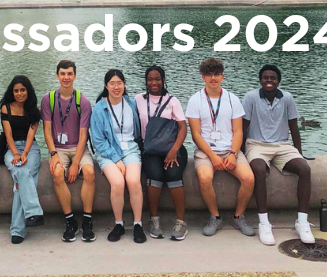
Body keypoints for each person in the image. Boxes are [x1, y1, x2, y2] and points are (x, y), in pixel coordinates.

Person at [242, 64, 314, 245]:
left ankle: (302, 222)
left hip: (282, 145)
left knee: (304, 169)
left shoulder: (287, 98)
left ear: (278, 81)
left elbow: (293, 126)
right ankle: (264, 223)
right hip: (256, 144)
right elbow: (243, 126)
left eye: (272, 78)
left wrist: (299, 152)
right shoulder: (251, 97)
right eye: (265, 78)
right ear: (260, 80)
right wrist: (240, 153)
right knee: (258, 170)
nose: (269, 81)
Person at [185, 58, 255, 238]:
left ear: (222, 76)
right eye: (209, 74)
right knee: (205, 177)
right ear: (203, 77)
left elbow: (238, 131)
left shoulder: (232, 99)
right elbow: (196, 134)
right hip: (206, 151)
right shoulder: (195, 100)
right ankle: (215, 216)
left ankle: (239, 215)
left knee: (248, 178)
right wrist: (212, 157)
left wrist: (233, 153)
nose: (213, 78)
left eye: (216, 74)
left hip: (229, 149)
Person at [41, 60, 96, 242]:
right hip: (59, 148)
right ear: (57, 76)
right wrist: (53, 153)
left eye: (70, 74)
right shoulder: (48, 99)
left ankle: (87, 220)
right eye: (63, 74)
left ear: (75, 76)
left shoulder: (83, 101)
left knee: (88, 172)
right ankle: (70, 220)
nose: (66, 77)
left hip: (78, 147)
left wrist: (75, 164)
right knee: (57, 174)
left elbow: (83, 136)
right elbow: (47, 131)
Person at [90, 69, 147, 244]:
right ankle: (119, 223)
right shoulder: (99, 109)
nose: (116, 87)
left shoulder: (131, 104)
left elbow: (137, 132)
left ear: (124, 85)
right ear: (106, 86)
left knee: (133, 181)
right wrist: (116, 159)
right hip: (107, 152)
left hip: (130, 148)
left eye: (119, 83)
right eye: (112, 83)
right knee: (117, 182)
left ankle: (137, 224)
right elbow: (98, 141)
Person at [134, 66, 189, 241]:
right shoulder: (138, 99)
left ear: (163, 80)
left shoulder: (172, 101)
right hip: (150, 149)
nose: (154, 82)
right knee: (155, 175)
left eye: (157, 79)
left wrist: (174, 151)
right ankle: (154, 219)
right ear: (146, 81)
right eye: (150, 79)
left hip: (172, 147)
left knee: (173, 174)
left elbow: (182, 128)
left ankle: (181, 221)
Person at [0, 75, 43, 244]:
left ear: (28, 91)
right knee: (22, 173)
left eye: (22, 90)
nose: (19, 93)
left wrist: (25, 153)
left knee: (20, 181)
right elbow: (8, 134)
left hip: (30, 148)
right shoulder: (6, 108)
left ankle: (17, 230)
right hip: (11, 148)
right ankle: (34, 212)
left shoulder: (34, 110)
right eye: (16, 90)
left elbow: (31, 134)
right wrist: (16, 154)